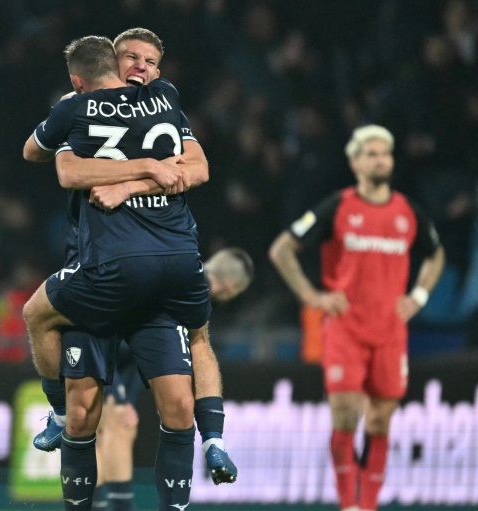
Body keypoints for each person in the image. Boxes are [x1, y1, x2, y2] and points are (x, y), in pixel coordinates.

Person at [22, 35, 232, 511]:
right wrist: (151, 170)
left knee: (172, 408)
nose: (140, 67)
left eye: (150, 61)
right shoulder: (96, 106)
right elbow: (70, 173)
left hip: (128, 272)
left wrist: (128, 183)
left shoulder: (161, 99)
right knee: (87, 415)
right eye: (131, 57)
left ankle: (206, 441)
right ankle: (212, 437)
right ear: (112, 64)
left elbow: (198, 167)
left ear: (159, 71)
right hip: (105, 262)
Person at [268, 125, 445, 511]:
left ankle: (369, 506)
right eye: (372, 154)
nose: (381, 159)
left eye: (386, 153)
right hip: (345, 329)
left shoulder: (407, 211)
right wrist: (311, 295)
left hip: (390, 331)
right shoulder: (337, 207)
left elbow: (436, 254)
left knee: (380, 421)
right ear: (355, 162)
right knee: (348, 413)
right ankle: (350, 504)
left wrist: (418, 296)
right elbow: (282, 249)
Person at [92, 247, 253, 511]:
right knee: (114, 427)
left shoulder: (177, 269)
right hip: (105, 347)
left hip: (101, 342)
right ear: (231, 287)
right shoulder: (192, 289)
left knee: (113, 429)